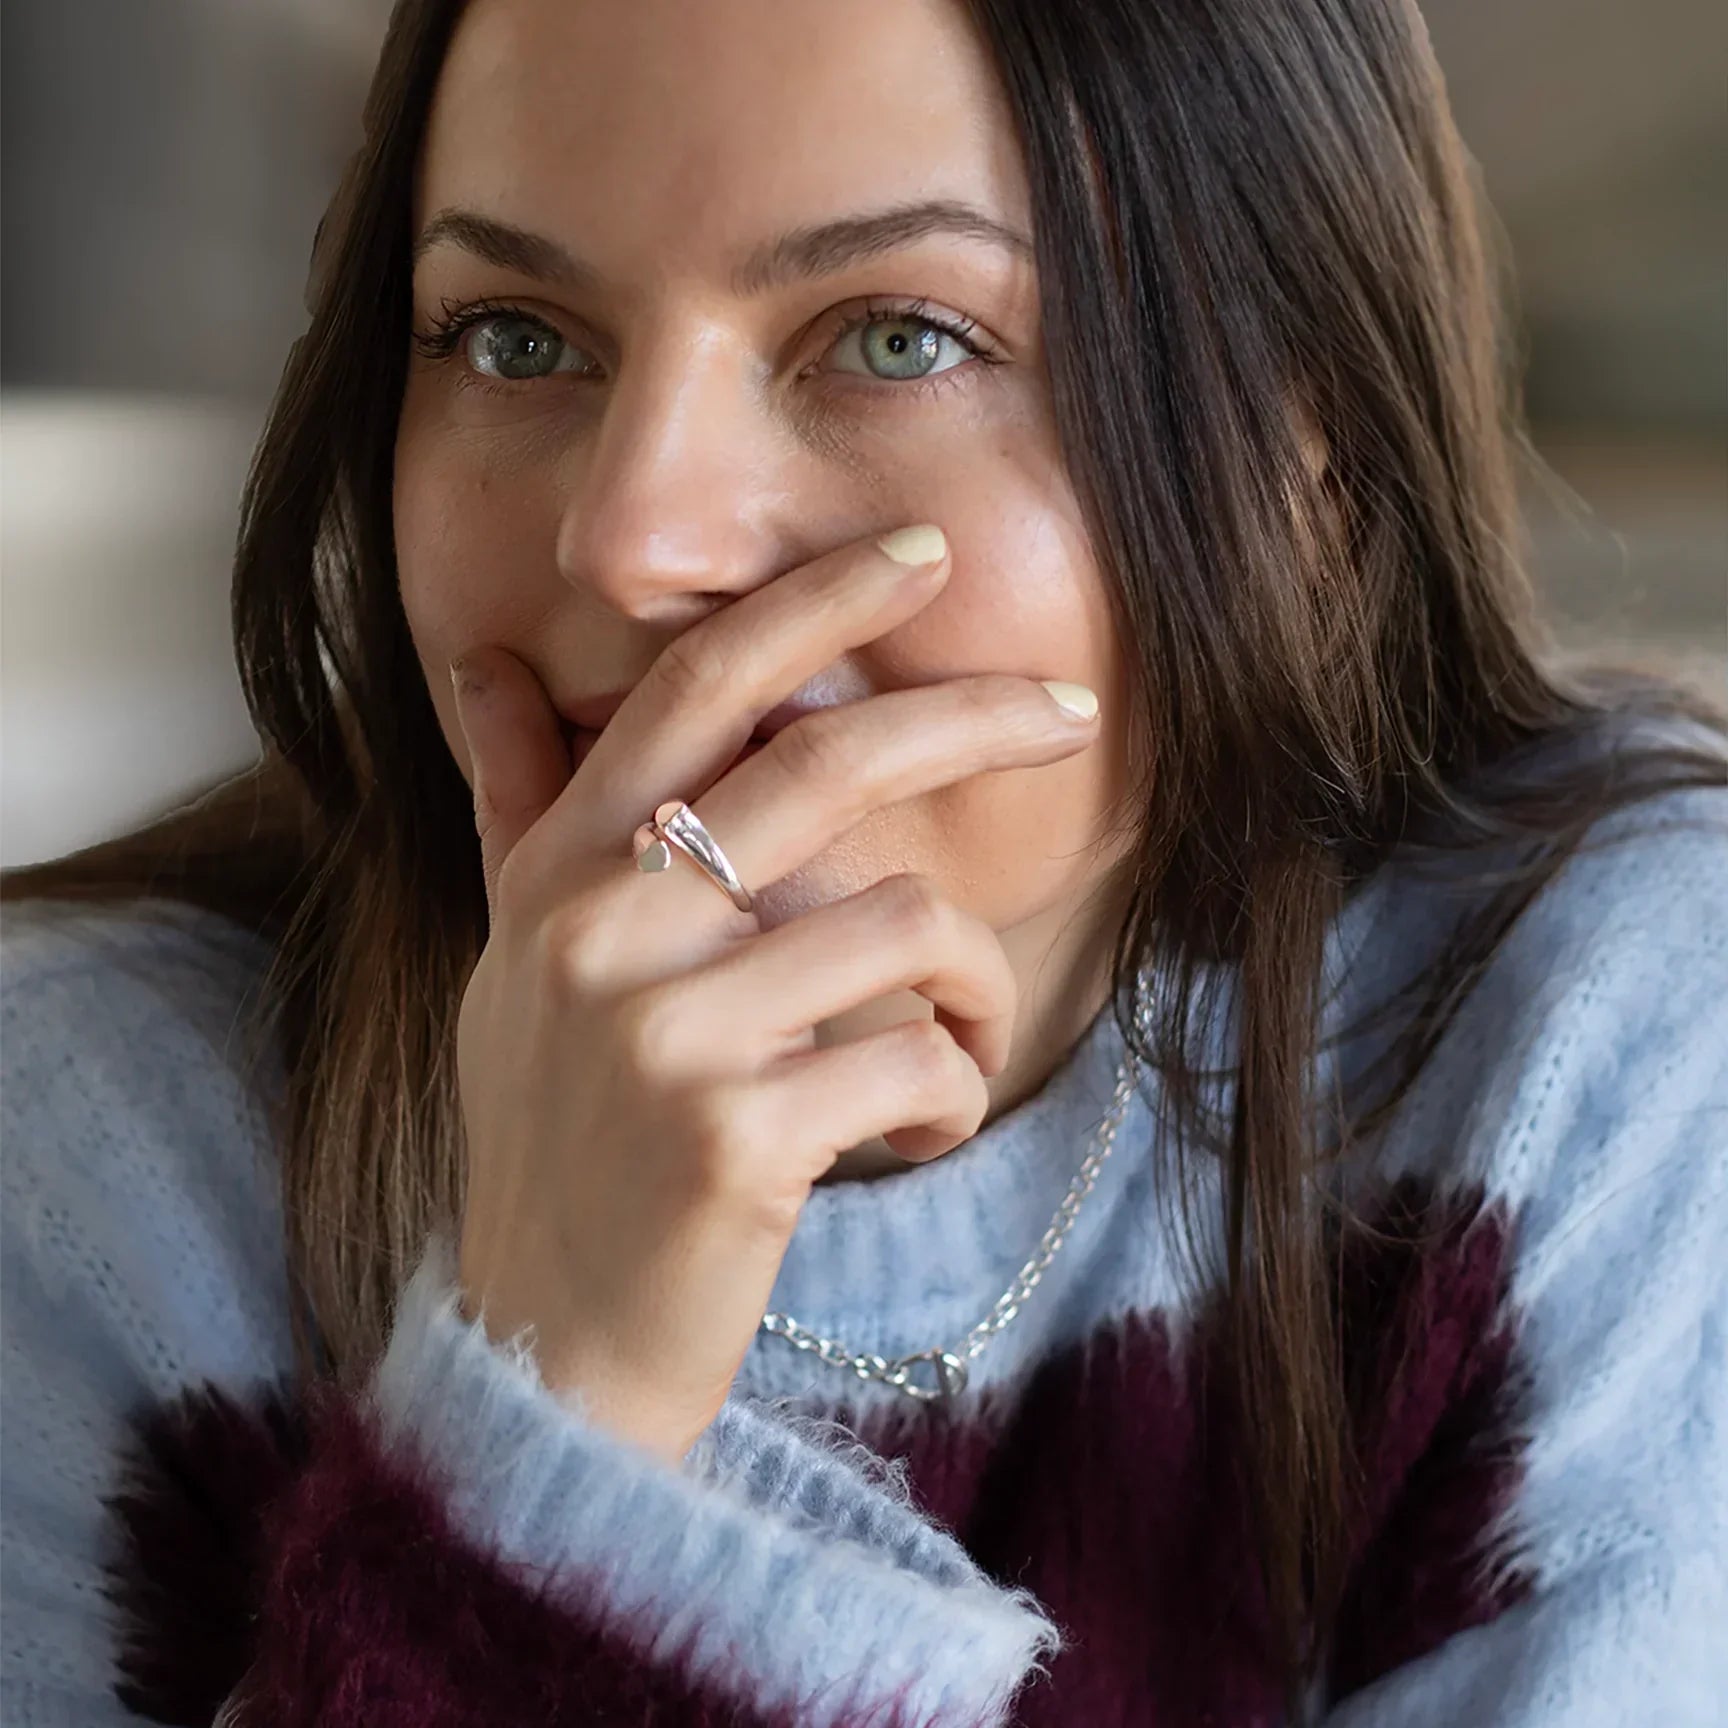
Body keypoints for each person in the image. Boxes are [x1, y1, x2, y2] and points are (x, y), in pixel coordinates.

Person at [3, 0, 1725, 1722]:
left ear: (1313, 464)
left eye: (900, 339)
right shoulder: (81, 1172)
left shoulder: (1602, 1050)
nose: (636, 539)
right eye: (514, 337)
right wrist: (554, 1418)